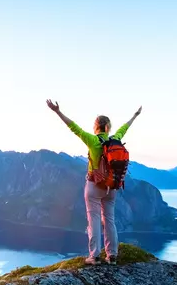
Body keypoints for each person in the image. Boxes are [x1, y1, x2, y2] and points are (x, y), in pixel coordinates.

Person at [46, 99, 142, 265]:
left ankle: (94, 256)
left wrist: (57, 111)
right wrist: (135, 115)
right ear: (108, 127)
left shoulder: (92, 140)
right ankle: (112, 255)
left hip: (94, 185)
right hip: (112, 186)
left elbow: (73, 127)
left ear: (96, 126)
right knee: (110, 219)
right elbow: (125, 128)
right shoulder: (115, 139)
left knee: (94, 220)